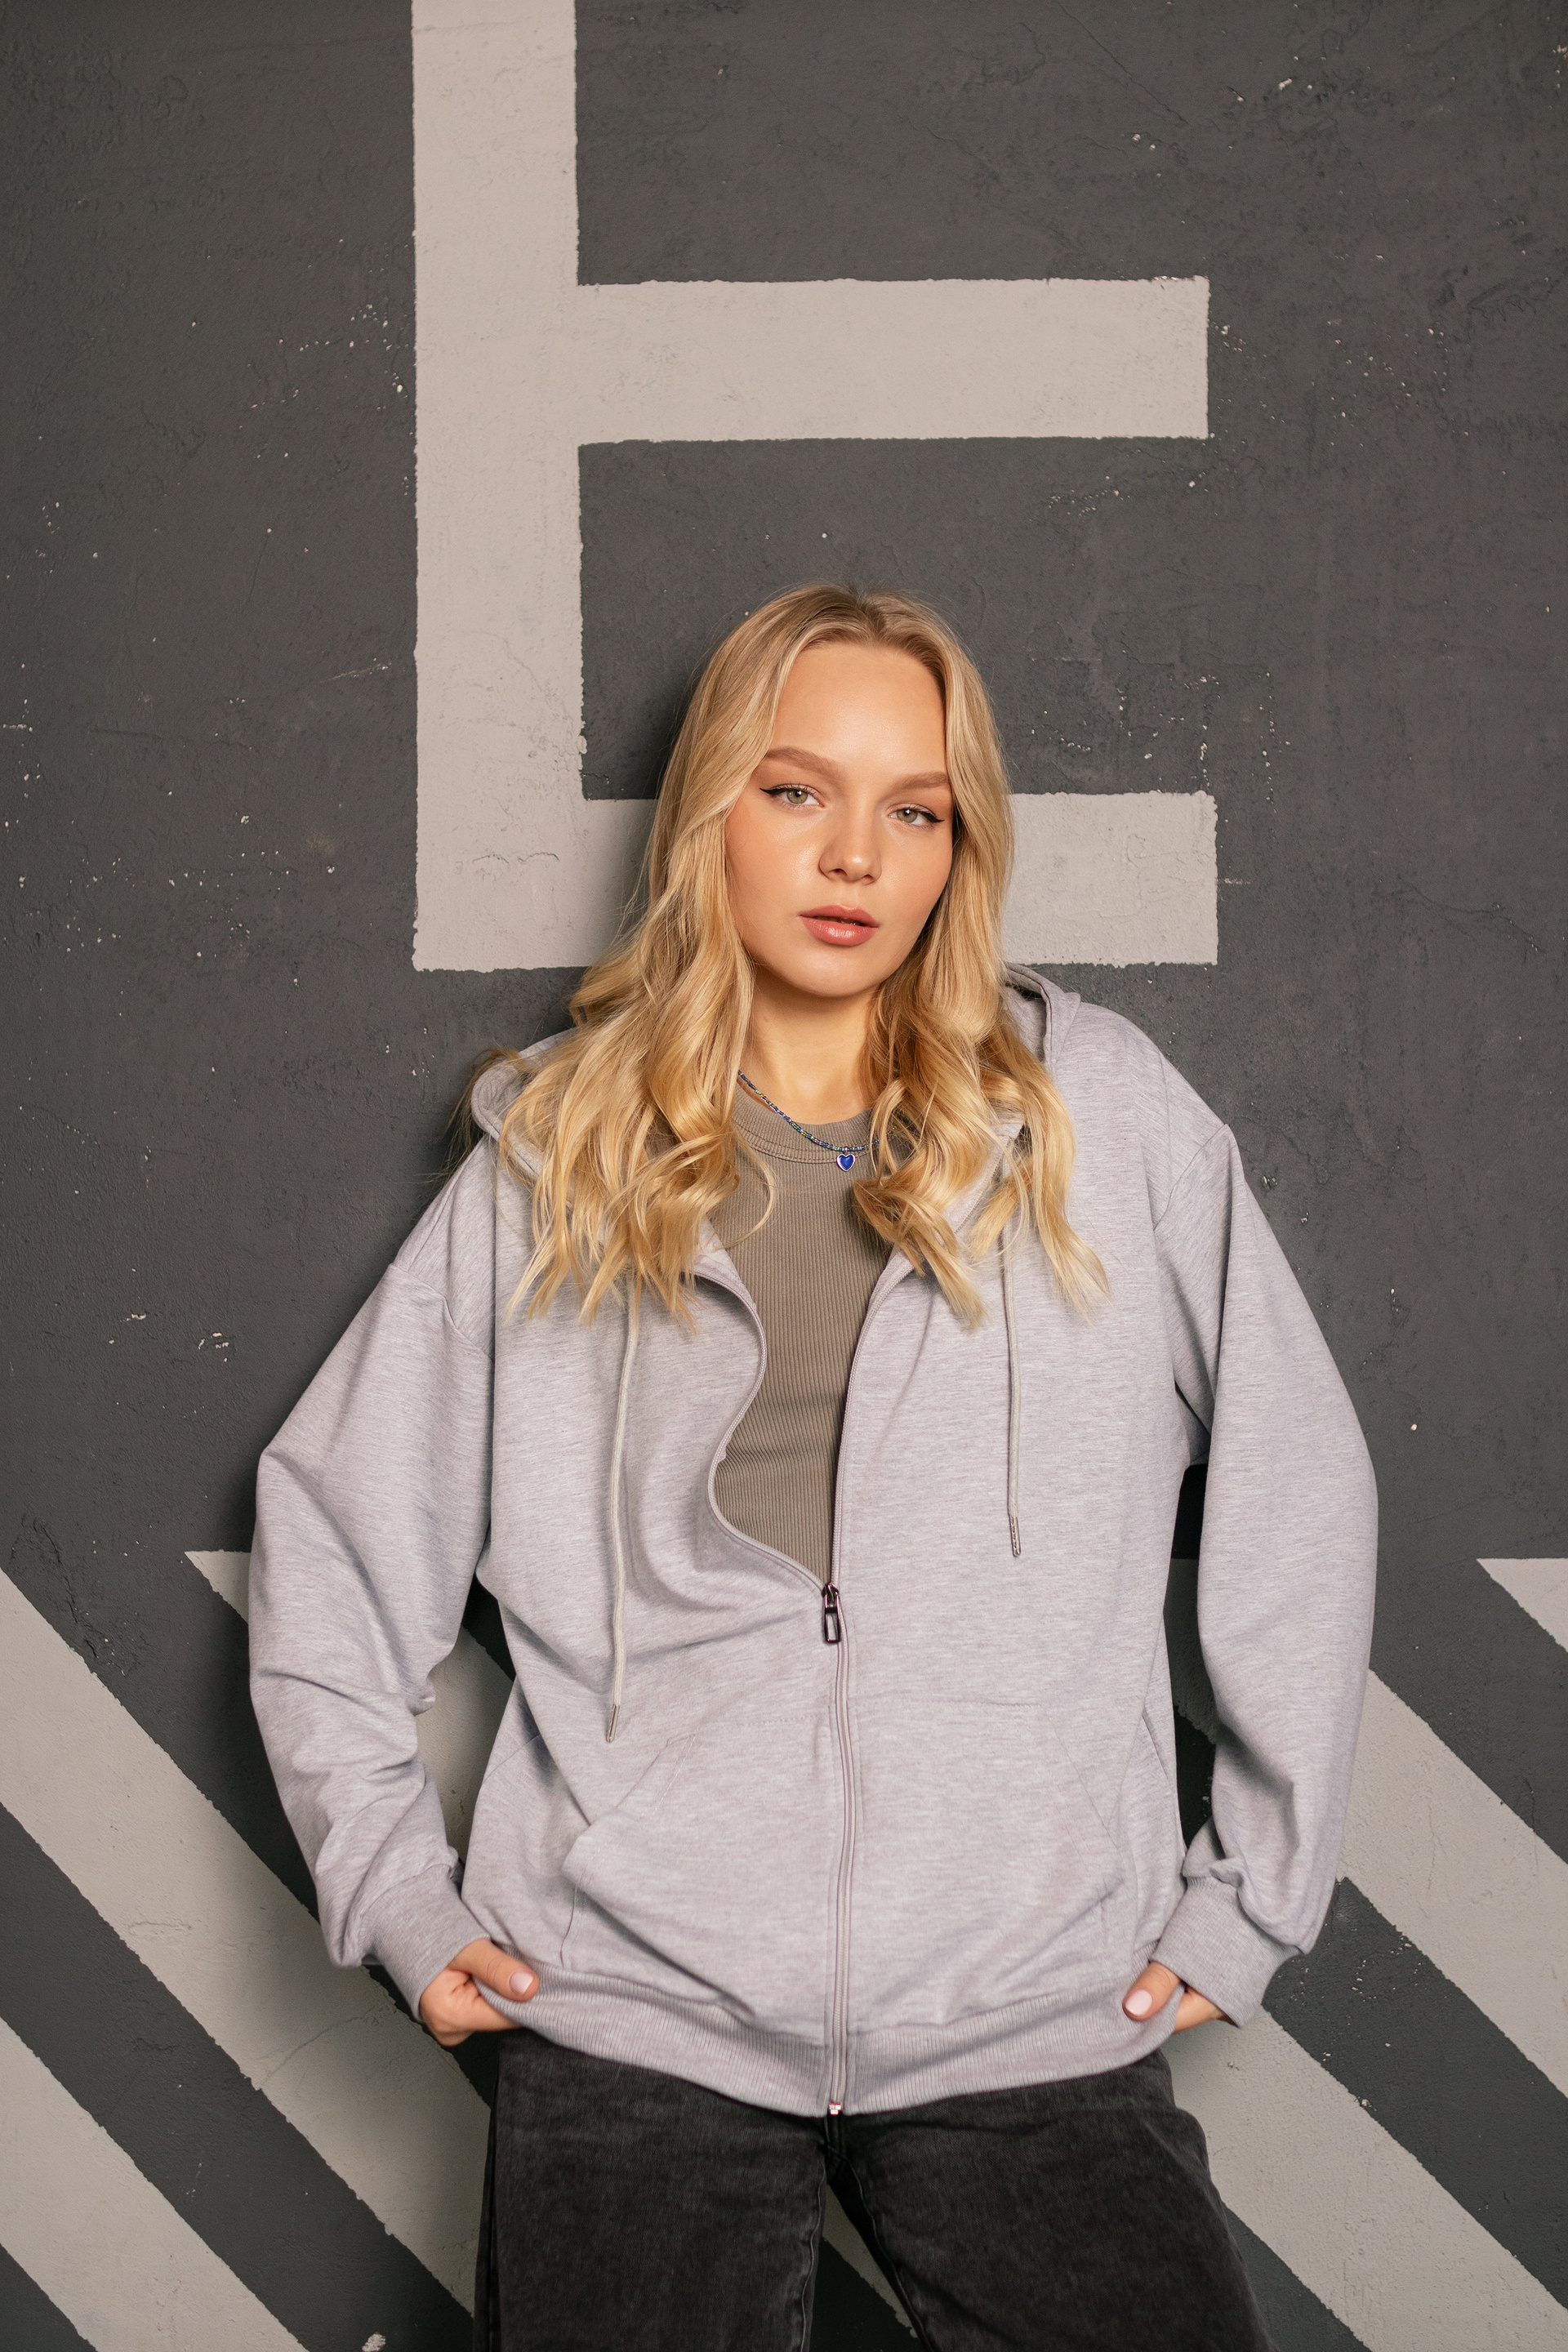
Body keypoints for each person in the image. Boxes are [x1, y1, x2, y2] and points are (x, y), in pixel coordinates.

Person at [249, 584, 1377, 2350]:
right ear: (713, 811)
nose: (857, 856)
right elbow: (331, 1535)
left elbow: (1300, 1490)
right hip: (633, 2015)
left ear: (958, 848)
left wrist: (1252, 1898)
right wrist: (391, 1887)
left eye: (915, 810)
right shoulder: (561, 1159)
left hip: (1027, 2002)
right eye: (797, 791)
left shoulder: (1096, 1122)